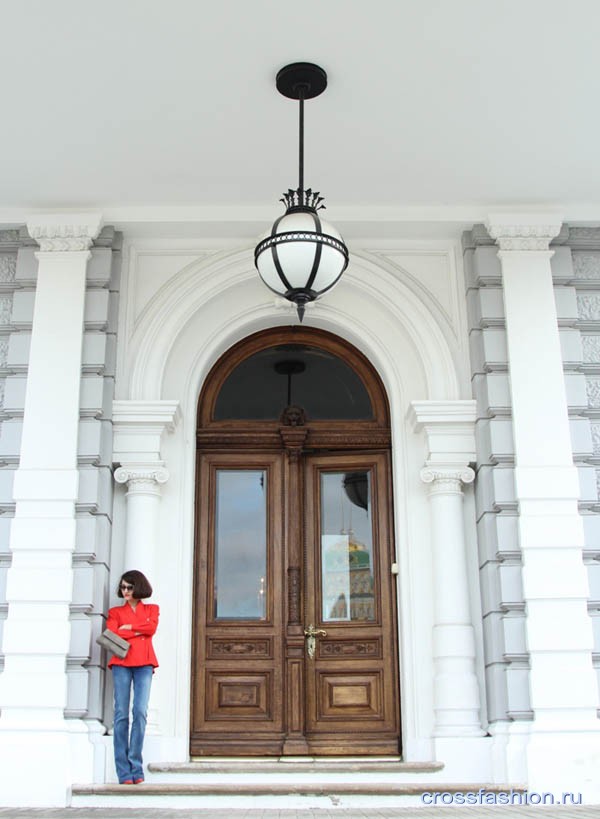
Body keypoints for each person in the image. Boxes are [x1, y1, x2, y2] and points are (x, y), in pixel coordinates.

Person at [106, 569, 159, 785]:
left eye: (129, 587)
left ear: (138, 587)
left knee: (140, 712)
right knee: (121, 715)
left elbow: (152, 628)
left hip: (144, 663)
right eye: (123, 587)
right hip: (121, 663)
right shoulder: (115, 612)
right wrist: (139, 631)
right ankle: (124, 771)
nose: (125, 591)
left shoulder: (152, 608)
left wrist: (130, 628)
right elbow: (112, 633)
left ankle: (136, 765)